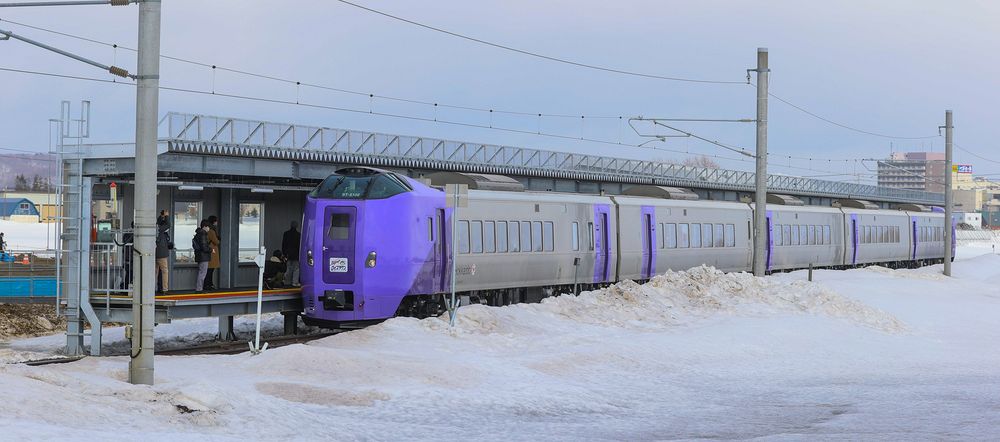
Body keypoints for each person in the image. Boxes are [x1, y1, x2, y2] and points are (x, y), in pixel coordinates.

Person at [154, 214, 174, 294]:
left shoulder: (155, 229)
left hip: (154, 254)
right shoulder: (161, 230)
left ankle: (152, 288)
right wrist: (166, 216)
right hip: (161, 255)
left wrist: (161, 216)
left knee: (154, 272)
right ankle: (165, 289)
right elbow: (168, 224)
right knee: (165, 271)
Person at [193, 220, 212, 292]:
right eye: (208, 227)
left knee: (201, 272)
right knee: (202, 273)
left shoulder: (198, 233)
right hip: (203, 256)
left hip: (199, 256)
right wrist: (210, 250)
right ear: (204, 226)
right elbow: (204, 247)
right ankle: (199, 289)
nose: (209, 229)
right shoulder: (203, 234)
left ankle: (199, 288)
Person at [282, 221, 301, 287]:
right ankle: (294, 282)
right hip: (296, 254)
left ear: (290, 225)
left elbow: (283, 244)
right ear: (297, 226)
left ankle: (285, 281)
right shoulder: (298, 235)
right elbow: (299, 246)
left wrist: (284, 253)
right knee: (296, 269)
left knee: (288, 268)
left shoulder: (286, 234)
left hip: (288, 254)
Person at [204, 215, 220, 291]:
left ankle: (208, 284)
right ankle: (208, 284)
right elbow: (216, 241)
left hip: (211, 251)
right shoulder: (212, 231)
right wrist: (218, 240)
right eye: (216, 221)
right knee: (210, 269)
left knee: (209, 270)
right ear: (214, 221)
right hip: (212, 252)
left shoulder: (209, 230)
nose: (217, 222)